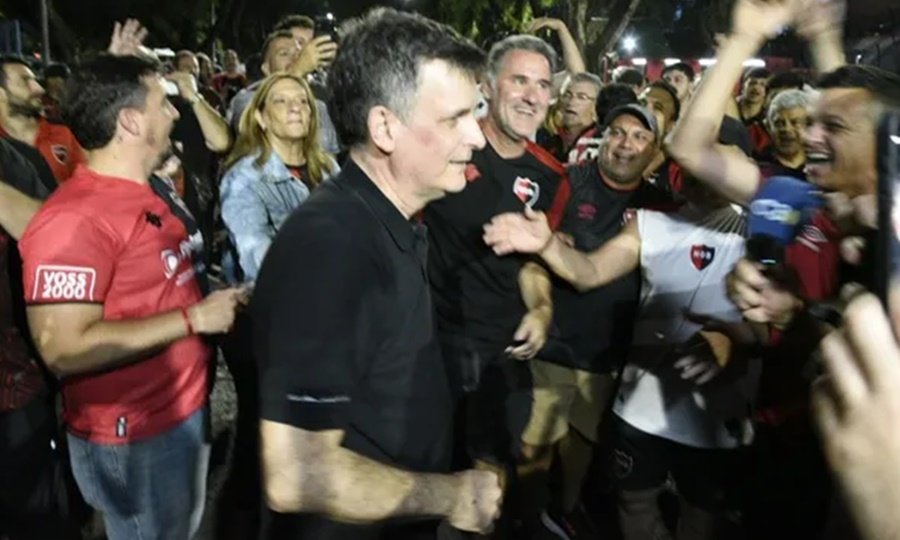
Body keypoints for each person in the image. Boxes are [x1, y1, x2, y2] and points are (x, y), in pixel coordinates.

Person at [252, 8, 502, 539]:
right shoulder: (331, 249)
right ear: (385, 126)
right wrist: (453, 495)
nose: (477, 137)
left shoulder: (396, 218)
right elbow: (297, 473)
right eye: (455, 118)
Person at [18, 53, 244, 540]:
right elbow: (63, 347)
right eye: (163, 101)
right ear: (130, 120)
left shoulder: (150, 186)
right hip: (135, 437)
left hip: (181, 411)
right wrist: (191, 320)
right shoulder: (74, 220)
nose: (174, 111)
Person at [515, 104, 673, 538]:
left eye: (639, 137)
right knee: (534, 445)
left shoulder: (659, 205)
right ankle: (528, 520)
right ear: (603, 138)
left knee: (582, 445)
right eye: (618, 133)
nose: (625, 144)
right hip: (554, 338)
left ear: (654, 149)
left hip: (609, 349)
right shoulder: (569, 181)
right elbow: (532, 251)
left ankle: (566, 512)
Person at [221, 73, 337, 282]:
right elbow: (257, 260)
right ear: (261, 118)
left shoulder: (327, 167)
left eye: (303, 101)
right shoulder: (243, 179)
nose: (295, 107)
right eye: (280, 101)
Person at [0, 56, 85, 184]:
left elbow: (89, 185)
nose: (39, 89)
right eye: (25, 81)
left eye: (35, 81)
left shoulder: (64, 132)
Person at [540, 72, 603, 164]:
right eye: (567, 95)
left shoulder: (600, 145)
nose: (571, 102)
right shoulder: (547, 139)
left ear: (596, 105)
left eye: (581, 97)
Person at [758, 88, 814, 179]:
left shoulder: (823, 168)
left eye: (795, 122)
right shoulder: (757, 170)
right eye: (779, 123)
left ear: (809, 126)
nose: (786, 129)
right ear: (768, 127)